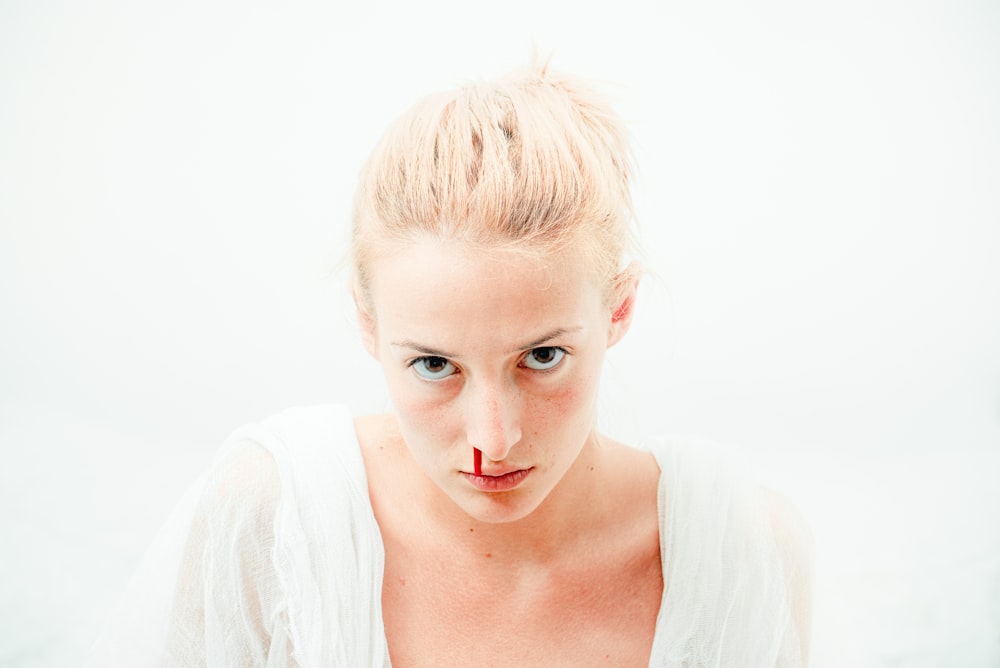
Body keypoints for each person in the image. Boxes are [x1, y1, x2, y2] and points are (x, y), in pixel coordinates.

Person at [88, 62, 813, 667]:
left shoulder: (737, 554)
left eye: (543, 357)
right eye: (435, 365)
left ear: (619, 310)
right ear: (368, 325)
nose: (493, 440)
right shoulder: (278, 519)